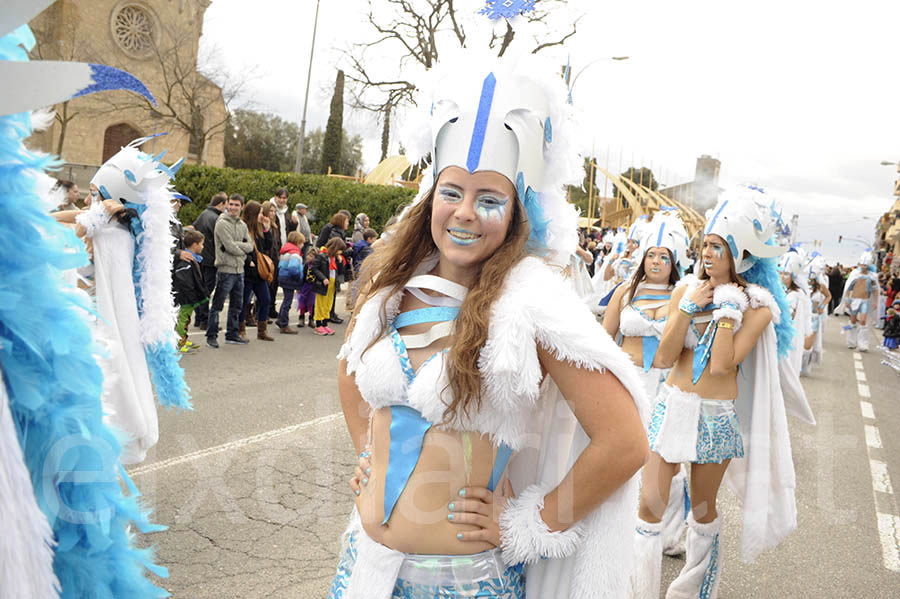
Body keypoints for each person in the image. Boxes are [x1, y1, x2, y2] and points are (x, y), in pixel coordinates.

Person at [328, 51, 648, 599]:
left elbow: (624, 442)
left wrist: (533, 522)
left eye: (489, 199)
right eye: (451, 192)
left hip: (460, 585)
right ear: (432, 197)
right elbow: (350, 374)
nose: (465, 212)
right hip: (364, 570)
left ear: (517, 211)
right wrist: (368, 453)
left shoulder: (530, 302)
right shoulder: (391, 288)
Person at [632, 185, 809, 599]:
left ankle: (690, 594)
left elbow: (722, 365)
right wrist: (690, 307)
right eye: (705, 245)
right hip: (673, 405)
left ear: (740, 255)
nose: (707, 254)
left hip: (715, 416)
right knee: (648, 508)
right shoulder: (685, 291)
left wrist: (728, 312)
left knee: (702, 512)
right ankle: (635, 590)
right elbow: (664, 358)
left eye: (717, 247)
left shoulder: (759, 307)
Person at [602, 210, 693, 568]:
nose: (656, 261)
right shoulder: (627, 291)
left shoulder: (683, 295)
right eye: (652, 255)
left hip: (666, 385)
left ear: (674, 262)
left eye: (664, 256)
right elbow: (604, 338)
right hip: (628, 381)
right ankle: (616, 527)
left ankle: (669, 531)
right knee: (623, 454)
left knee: (664, 461)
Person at [206, 193, 253, 348]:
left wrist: (238, 247)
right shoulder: (221, 223)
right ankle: (211, 336)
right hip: (225, 270)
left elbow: (250, 246)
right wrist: (242, 248)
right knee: (217, 305)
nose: (233, 207)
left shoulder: (243, 225)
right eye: (231, 204)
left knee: (237, 305)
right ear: (227, 205)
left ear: (242, 207)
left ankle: (232, 334)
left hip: (240, 270)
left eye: (236, 205)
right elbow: (229, 246)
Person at [239, 200, 275, 341]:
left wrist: (266, 229)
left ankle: (262, 331)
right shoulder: (243, 228)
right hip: (248, 271)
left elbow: (267, 246)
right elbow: (241, 247)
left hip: (259, 272)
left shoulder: (259, 228)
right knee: (244, 301)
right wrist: (249, 261)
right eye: (260, 213)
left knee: (265, 299)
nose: (262, 216)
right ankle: (241, 330)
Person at [192, 191, 227, 329]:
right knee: (207, 289)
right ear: (220, 204)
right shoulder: (216, 218)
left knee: (201, 287)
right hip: (211, 258)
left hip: (201, 257)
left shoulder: (203, 214)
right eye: (226, 204)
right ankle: (205, 320)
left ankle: (199, 318)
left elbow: (194, 228)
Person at [173, 229, 209, 351]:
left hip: (189, 297)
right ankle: (179, 343)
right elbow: (185, 283)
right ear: (195, 245)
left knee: (187, 319)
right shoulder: (186, 262)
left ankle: (184, 339)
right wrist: (192, 297)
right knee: (182, 320)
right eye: (201, 244)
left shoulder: (194, 259)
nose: (203, 247)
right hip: (185, 298)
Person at [839, 251, 880, 351]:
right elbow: (848, 288)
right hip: (854, 301)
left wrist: (875, 302)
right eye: (862, 264)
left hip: (865, 301)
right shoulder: (854, 274)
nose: (863, 266)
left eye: (865, 265)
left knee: (863, 321)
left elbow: (875, 290)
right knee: (853, 321)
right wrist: (847, 300)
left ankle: (863, 344)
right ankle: (851, 342)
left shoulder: (872, 276)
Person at [310, 237, 345, 336]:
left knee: (328, 305)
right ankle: (318, 325)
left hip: (332, 284)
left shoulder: (335, 258)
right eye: (339, 249)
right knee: (320, 304)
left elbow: (341, 271)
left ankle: (325, 324)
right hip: (323, 284)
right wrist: (323, 278)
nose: (340, 252)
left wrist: (340, 262)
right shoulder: (322, 256)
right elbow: (314, 269)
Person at [276, 231, 305, 334]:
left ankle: (280, 319)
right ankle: (284, 324)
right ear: (297, 242)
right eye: (302, 243)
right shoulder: (295, 254)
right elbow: (293, 268)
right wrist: (298, 278)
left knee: (285, 300)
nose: (303, 245)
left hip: (283, 277)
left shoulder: (286, 251)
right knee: (287, 301)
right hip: (290, 279)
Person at [263, 201, 283, 320]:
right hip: (266, 256)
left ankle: (271, 307)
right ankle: (262, 310)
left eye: (274, 211)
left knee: (274, 283)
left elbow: (278, 240)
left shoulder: (276, 224)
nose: (272, 213)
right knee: (266, 283)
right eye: (270, 211)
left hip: (275, 255)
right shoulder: (263, 223)